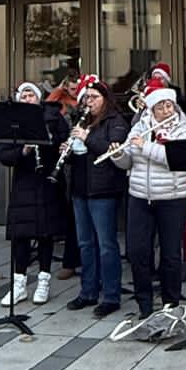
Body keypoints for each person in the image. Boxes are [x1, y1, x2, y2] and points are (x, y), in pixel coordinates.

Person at [114, 83, 186, 321]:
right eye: (160, 107)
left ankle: (171, 303)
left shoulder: (184, 128)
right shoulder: (140, 126)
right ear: (151, 109)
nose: (167, 110)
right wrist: (119, 155)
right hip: (140, 197)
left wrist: (145, 146)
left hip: (172, 198)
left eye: (169, 105)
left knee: (170, 254)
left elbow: (175, 158)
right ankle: (144, 304)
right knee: (138, 252)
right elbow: (128, 163)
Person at [0, 82, 71, 307]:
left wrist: (57, 145)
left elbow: (64, 141)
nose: (27, 98)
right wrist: (23, 150)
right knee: (21, 234)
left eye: (31, 95)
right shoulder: (12, 121)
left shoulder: (53, 116)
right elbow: (3, 155)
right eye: (24, 95)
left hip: (48, 180)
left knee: (45, 233)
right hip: (24, 182)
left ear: (38, 98)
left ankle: (43, 281)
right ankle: (18, 284)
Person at [64, 76, 129, 316]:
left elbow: (113, 150)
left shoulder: (116, 121)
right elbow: (80, 155)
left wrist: (86, 138)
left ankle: (111, 296)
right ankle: (88, 291)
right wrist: (68, 152)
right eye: (86, 98)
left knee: (106, 245)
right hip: (80, 189)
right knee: (85, 243)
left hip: (104, 190)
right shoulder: (82, 121)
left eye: (94, 97)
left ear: (105, 99)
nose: (89, 102)